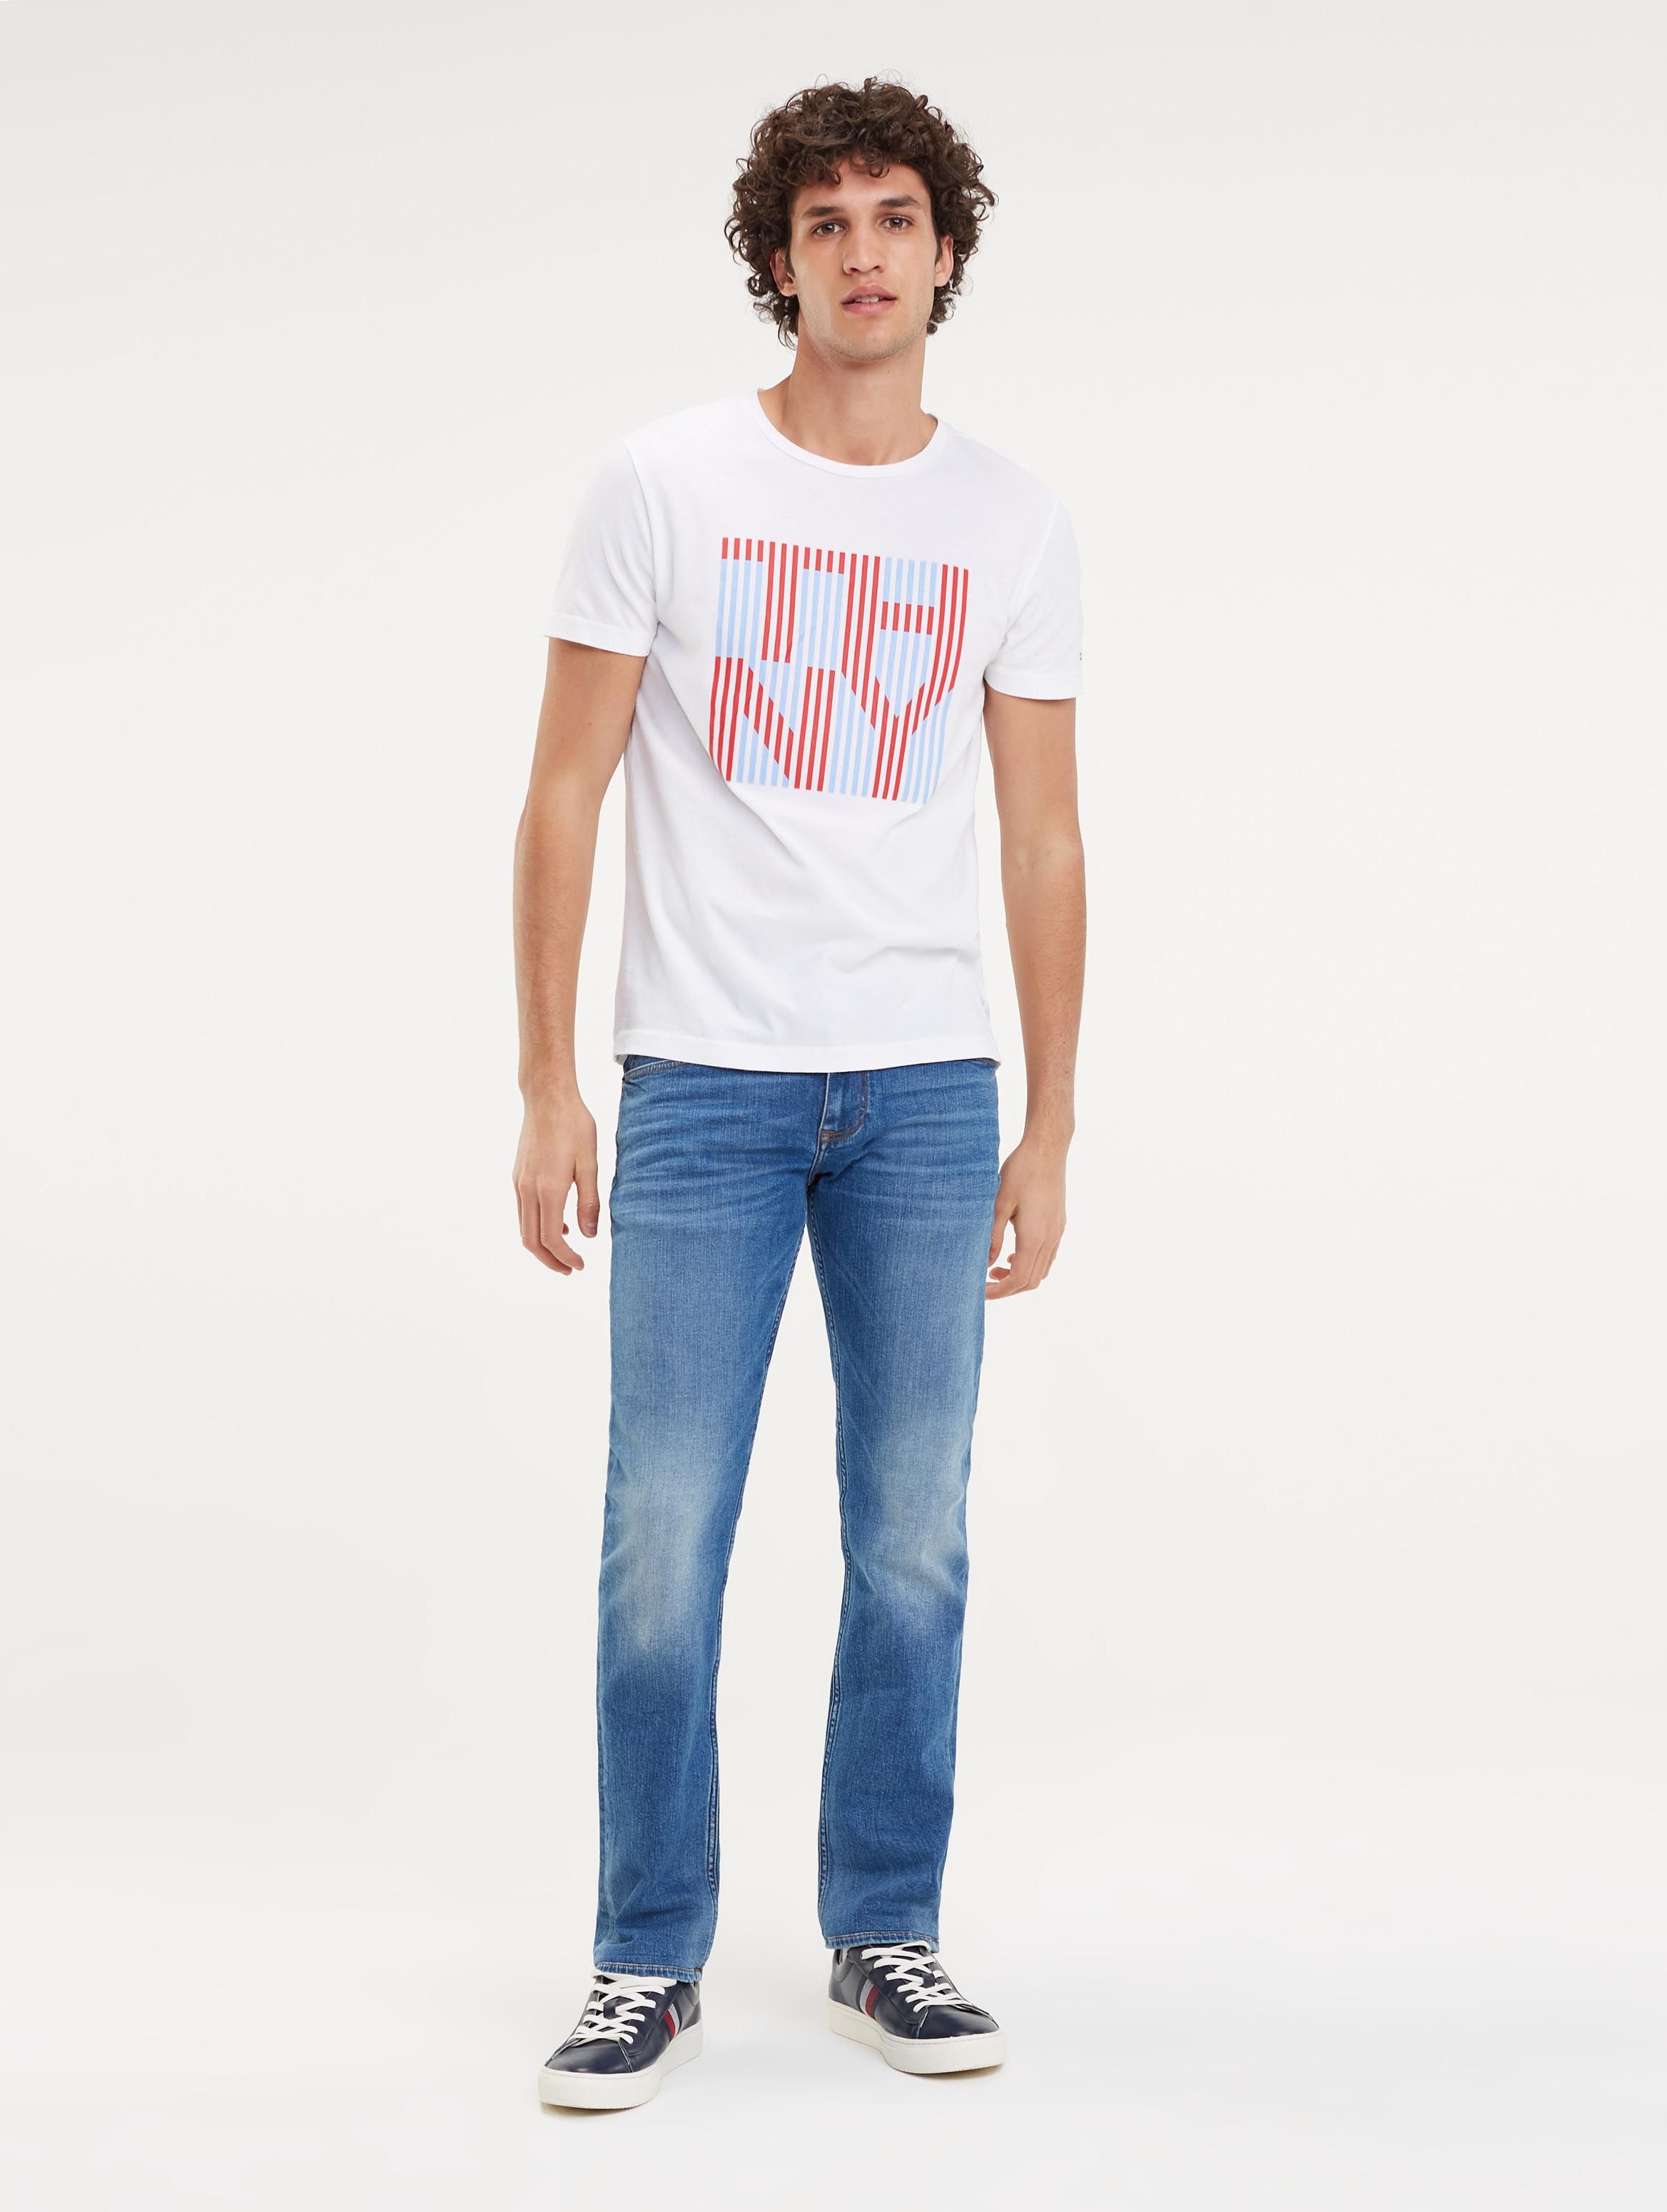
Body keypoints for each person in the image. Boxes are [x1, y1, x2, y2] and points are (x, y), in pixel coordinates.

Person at [511, 77, 1085, 2110]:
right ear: (780, 260)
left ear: (946, 251)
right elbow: (563, 792)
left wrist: (1049, 1120)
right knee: (662, 1533)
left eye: (894, 216)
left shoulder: (1011, 519)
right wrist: (548, 1083)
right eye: (824, 220)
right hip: (703, 1084)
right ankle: (643, 1954)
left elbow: (1043, 835)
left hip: (926, 1091)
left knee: (912, 1535)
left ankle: (884, 1928)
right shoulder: (662, 484)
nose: (862, 251)